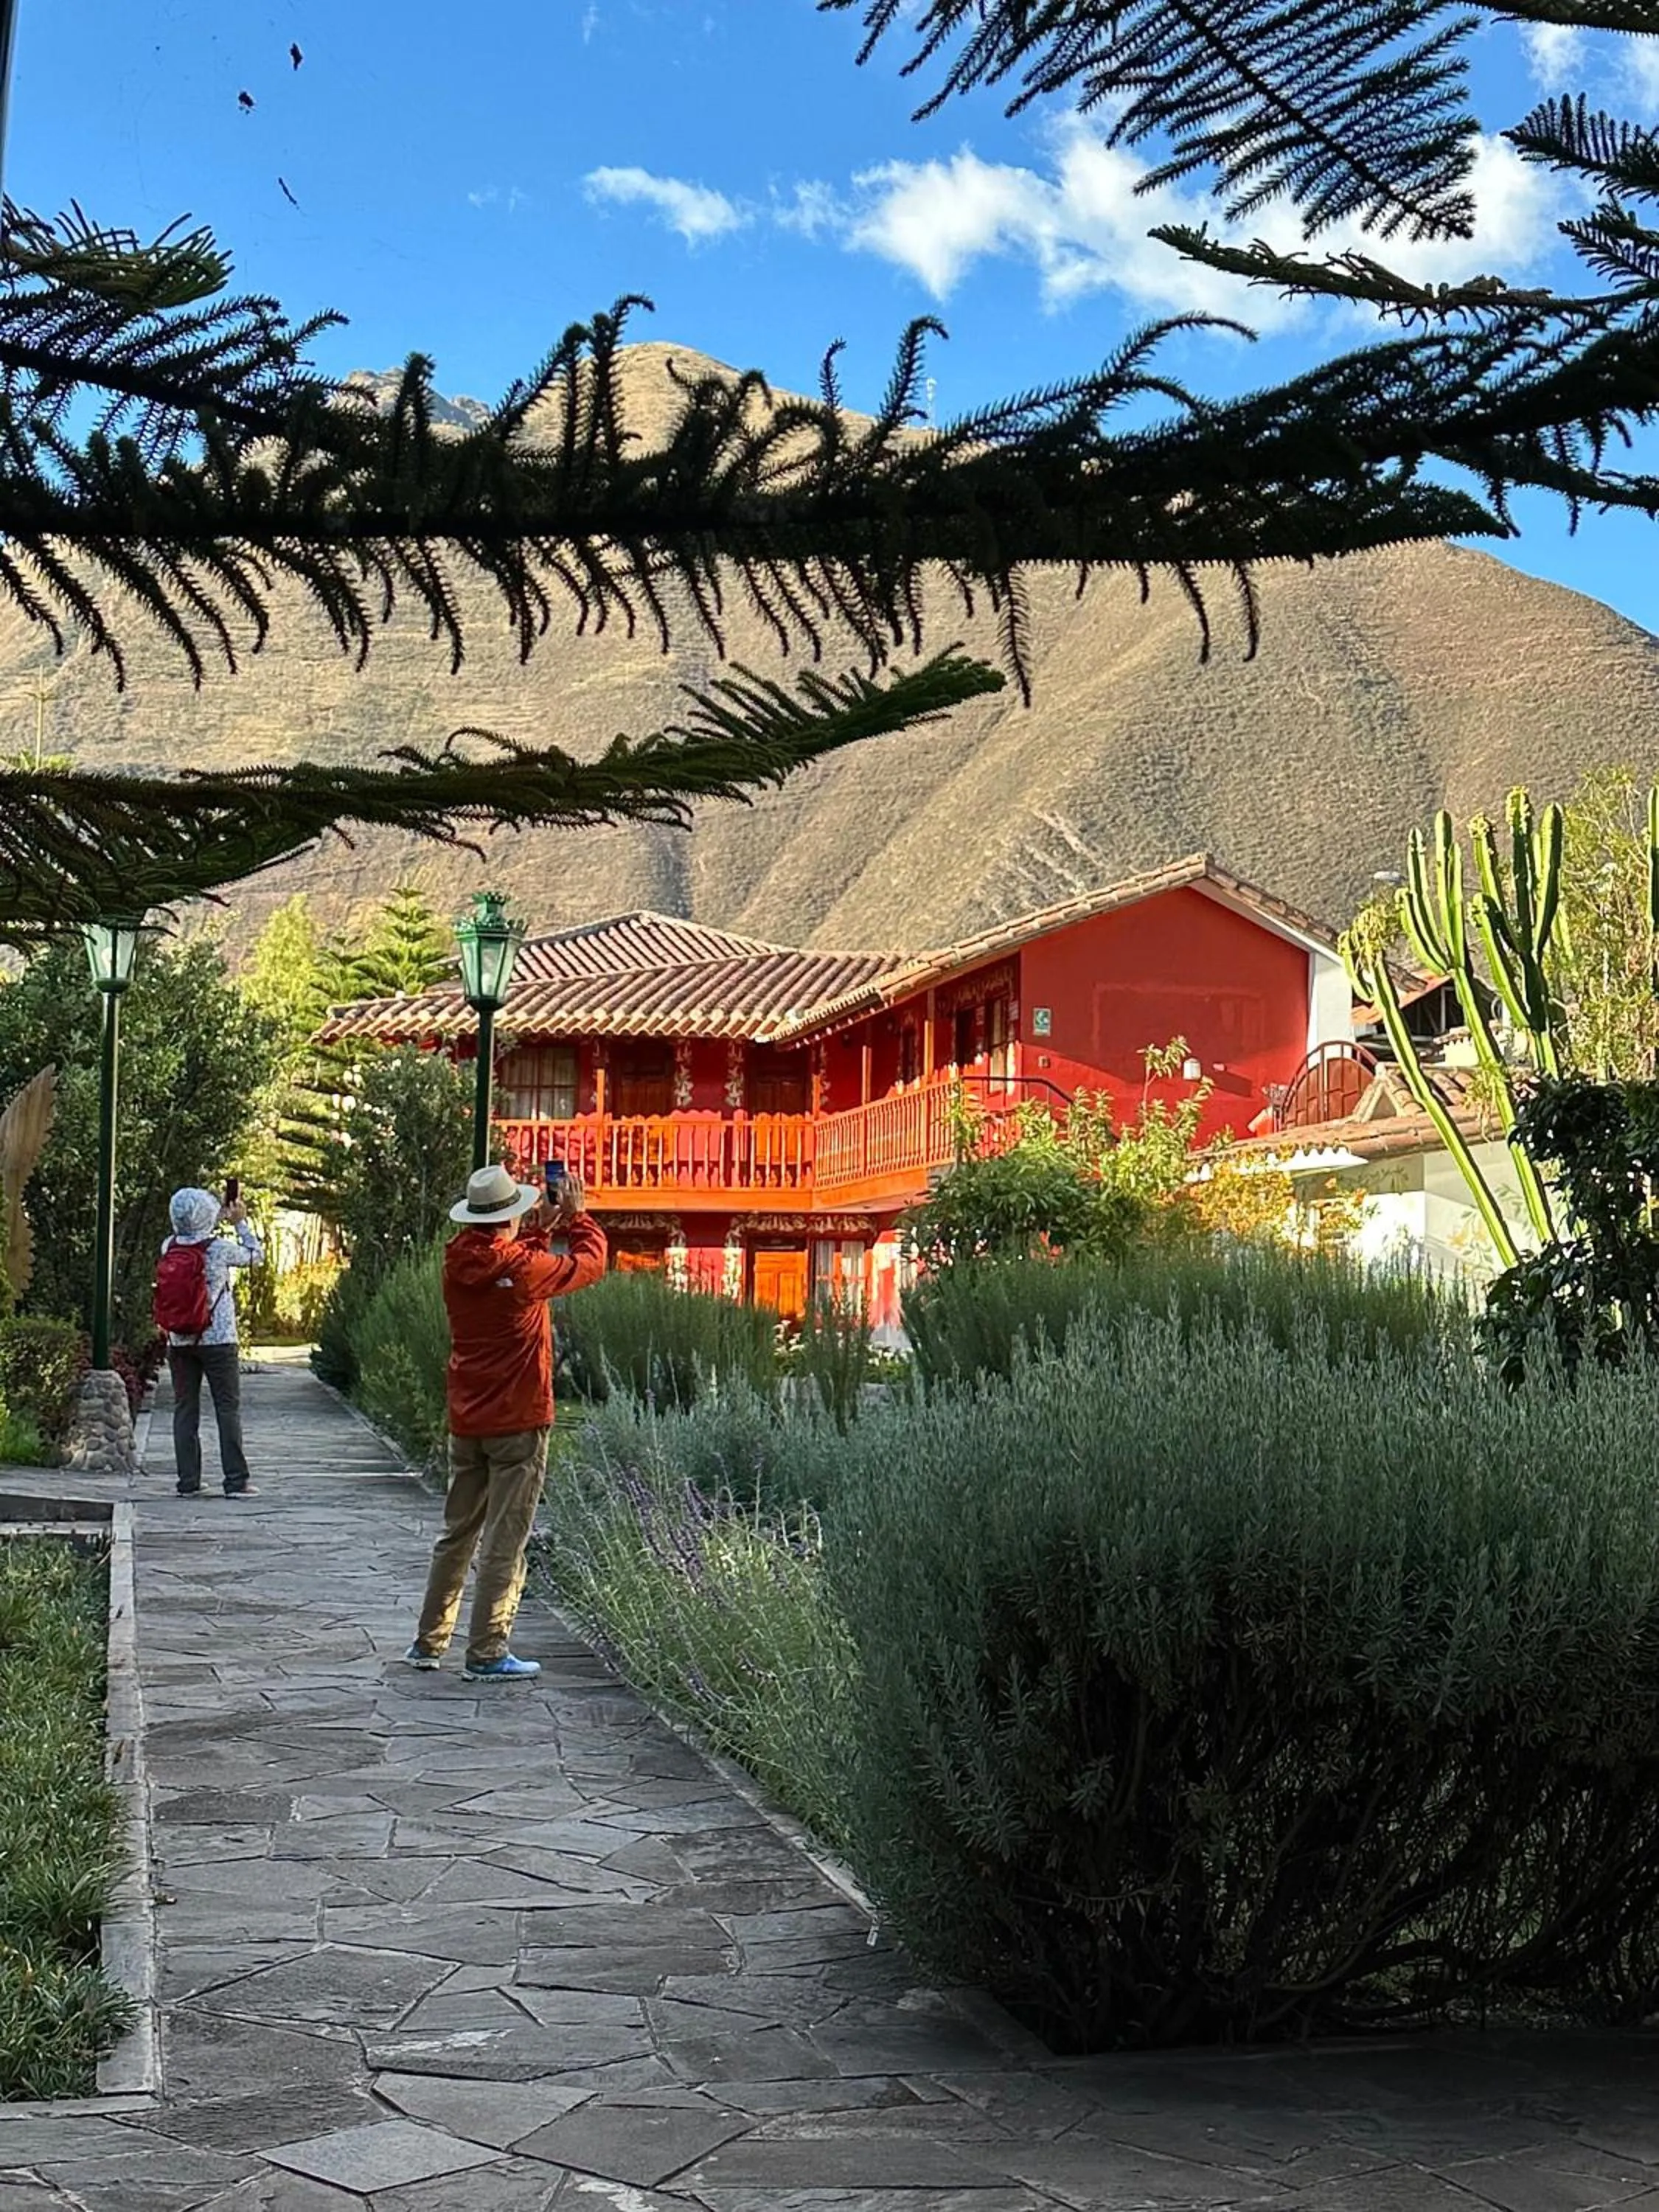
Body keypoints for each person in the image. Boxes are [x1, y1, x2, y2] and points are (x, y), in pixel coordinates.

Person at [405, 1161, 607, 1682]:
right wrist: (579, 1218)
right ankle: (488, 1649)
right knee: (505, 1538)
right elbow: (589, 1264)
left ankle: (429, 1643)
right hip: (517, 1419)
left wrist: (539, 1227)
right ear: (508, 1218)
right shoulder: (523, 1272)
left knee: (457, 1533)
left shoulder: (458, 1262)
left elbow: (509, 1261)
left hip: (467, 1418)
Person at [160, 1187, 263, 1498]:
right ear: (207, 1217)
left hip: (180, 1340)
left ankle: (188, 1481)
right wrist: (239, 1222)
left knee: (185, 1409)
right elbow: (255, 1256)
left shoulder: (169, 1246)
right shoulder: (218, 1249)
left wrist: (214, 1215)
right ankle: (236, 1481)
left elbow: (193, 1229)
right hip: (218, 1340)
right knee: (227, 1409)